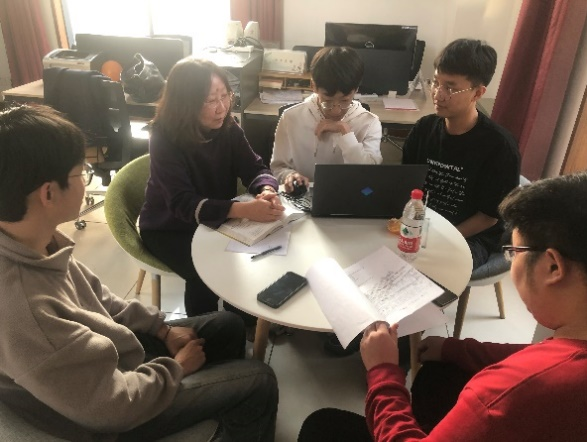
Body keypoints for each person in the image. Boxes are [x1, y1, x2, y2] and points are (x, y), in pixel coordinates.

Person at [0, 104, 278, 441]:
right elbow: (111, 407)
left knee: (229, 325)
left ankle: (219, 405)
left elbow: (101, 300)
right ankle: (225, 399)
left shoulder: (35, 242)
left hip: (105, 361)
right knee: (260, 381)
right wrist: (177, 369)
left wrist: (162, 330)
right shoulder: (25, 309)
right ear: (48, 193)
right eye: (81, 172)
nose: (86, 179)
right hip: (107, 417)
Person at [298, 172, 587, 441]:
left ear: (552, 267)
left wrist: (382, 370)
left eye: (513, 252)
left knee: (321, 426)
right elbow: (534, 354)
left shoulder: (502, 394)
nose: (511, 263)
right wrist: (456, 348)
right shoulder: (570, 352)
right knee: (439, 373)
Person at [139, 57, 284, 318]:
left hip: (216, 218)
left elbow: (255, 168)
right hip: (169, 227)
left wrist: (267, 190)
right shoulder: (164, 137)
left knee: (253, 261)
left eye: (225, 96)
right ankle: (202, 330)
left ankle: (241, 320)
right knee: (205, 273)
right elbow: (183, 203)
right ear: (185, 104)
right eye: (210, 101)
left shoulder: (228, 127)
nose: (222, 108)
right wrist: (244, 210)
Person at [402, 38, 520, 270]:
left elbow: (488, 217)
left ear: (478, 93)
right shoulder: (424, 129)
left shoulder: (499, 147)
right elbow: (405, 183)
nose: (438, 94)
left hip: (472, 235)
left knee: (432, 268)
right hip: (422, 223)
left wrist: (440, 237)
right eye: (436, 82)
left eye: (451, 87)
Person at [270, 46, 383, 193]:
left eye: (344, 100)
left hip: (350, 195)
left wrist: (346, 133)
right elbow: (278, 168)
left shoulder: (369, 123)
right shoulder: (291, 117)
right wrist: (289, 176)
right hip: (303, 196)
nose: (336, 110)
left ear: (356, 90)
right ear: (313, 86)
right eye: (327, 101)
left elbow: (370, 176)